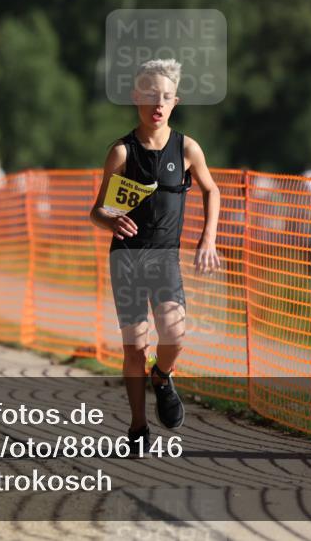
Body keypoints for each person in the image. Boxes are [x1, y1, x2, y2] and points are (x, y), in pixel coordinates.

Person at [90, 59, 221, 450]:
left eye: (165, 96)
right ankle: (137, 427)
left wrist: (208, 238)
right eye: (149, 95)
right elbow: (98, 210)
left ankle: (162, 376)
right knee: (134, 348)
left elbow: (211, 190)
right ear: (136, 99)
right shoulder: (121, 153)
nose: (157, 103)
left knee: (174, 334)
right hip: (127, 259)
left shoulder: (187, 148)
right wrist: (111, 222)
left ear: (175, 101)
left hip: (164, 258)